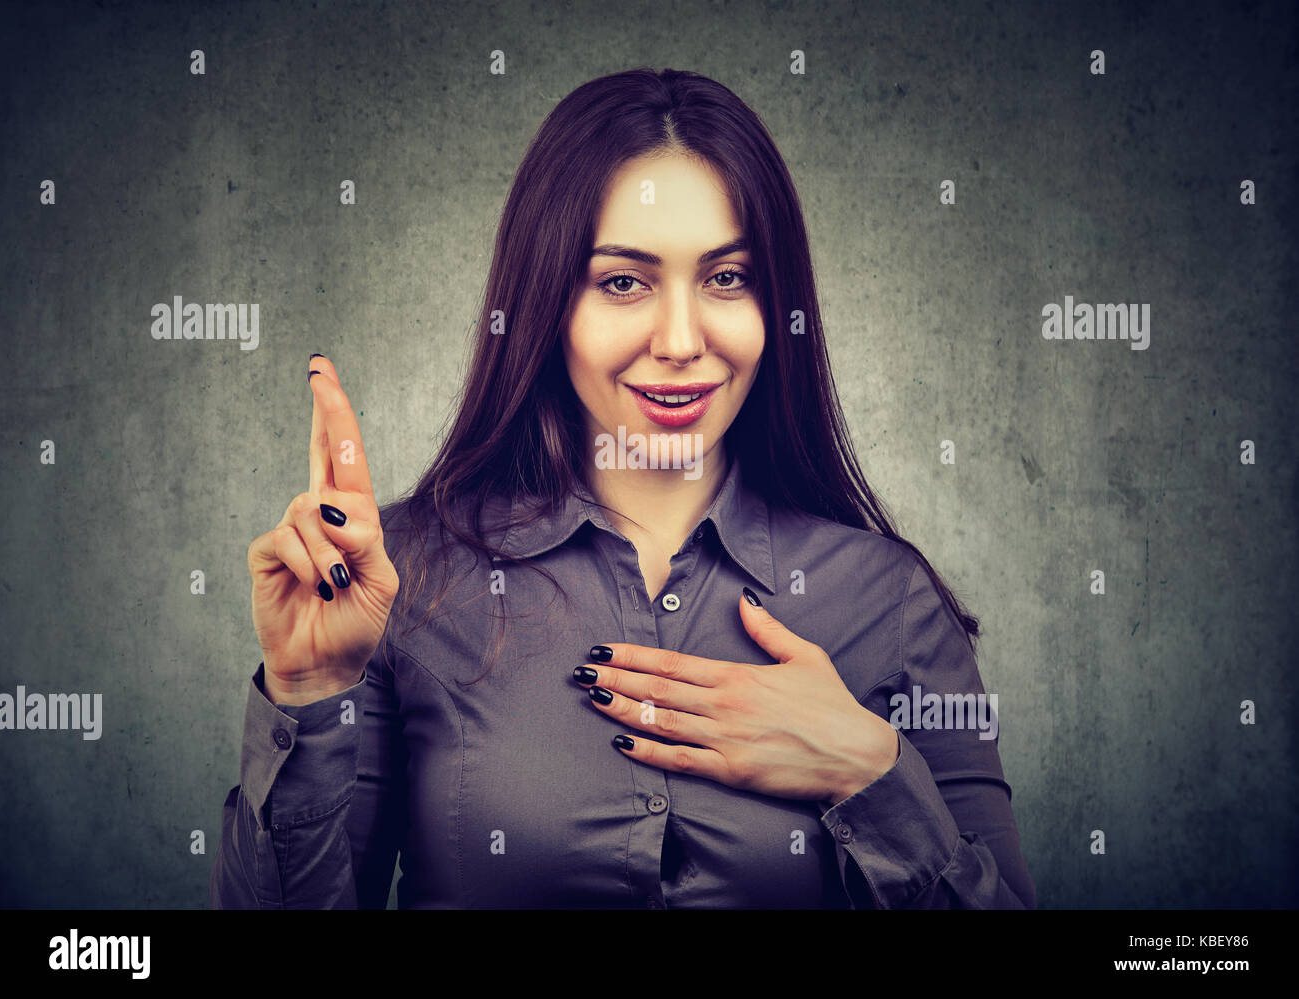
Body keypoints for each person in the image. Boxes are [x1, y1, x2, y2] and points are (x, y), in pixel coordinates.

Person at [210, 67, 1036, 909]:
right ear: (545, 304)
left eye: (727, 278)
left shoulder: (888, 602)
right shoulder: (399, 579)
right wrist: (307, 697)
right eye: (623, 281)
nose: (681, 340)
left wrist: (869, 770)